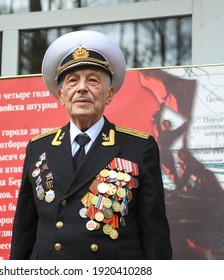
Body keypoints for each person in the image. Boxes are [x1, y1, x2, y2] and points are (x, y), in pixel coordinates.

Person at [10, 30, 172, 260]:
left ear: (109, 94)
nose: (82, 88)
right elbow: (24, 231)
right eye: (73, 81)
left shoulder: (139, 148)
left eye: (93, 80)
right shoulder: (39, 148)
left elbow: (154, 234)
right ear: (61, 95)